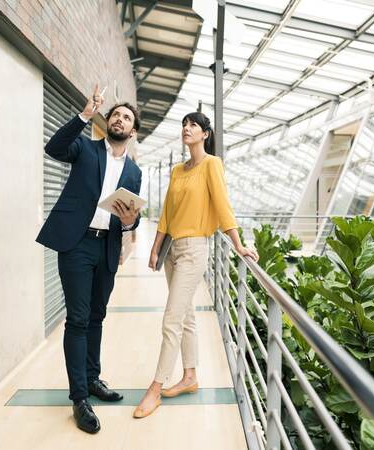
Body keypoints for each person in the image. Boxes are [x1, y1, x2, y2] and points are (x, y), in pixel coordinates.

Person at [133, 111, 258, 419]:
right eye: (184, 124)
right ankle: (190, 377)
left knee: (171, 319)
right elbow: (166, 211)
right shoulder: (177, 170)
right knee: (185, 315)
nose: (186, 129)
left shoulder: (212, 165)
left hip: (194, 250)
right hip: (172, 249)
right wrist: (155, 246)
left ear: (205, 134)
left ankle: (155, 388)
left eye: (193, 125)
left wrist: (239, 244)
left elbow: (223, 205)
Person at [36, 84, 142, 434]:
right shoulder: (85, 148)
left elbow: (131, 213)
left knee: (97, 315)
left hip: (107, 246)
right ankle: (79, 397)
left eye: (127, 117)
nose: (120, 120)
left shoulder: (134, 173)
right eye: (115, 115)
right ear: (107, 122)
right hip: (78, 244)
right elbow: (54, 148)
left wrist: (132, 222)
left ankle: (93, 379)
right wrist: (83, 114)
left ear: (133, 130)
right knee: (79, 319)